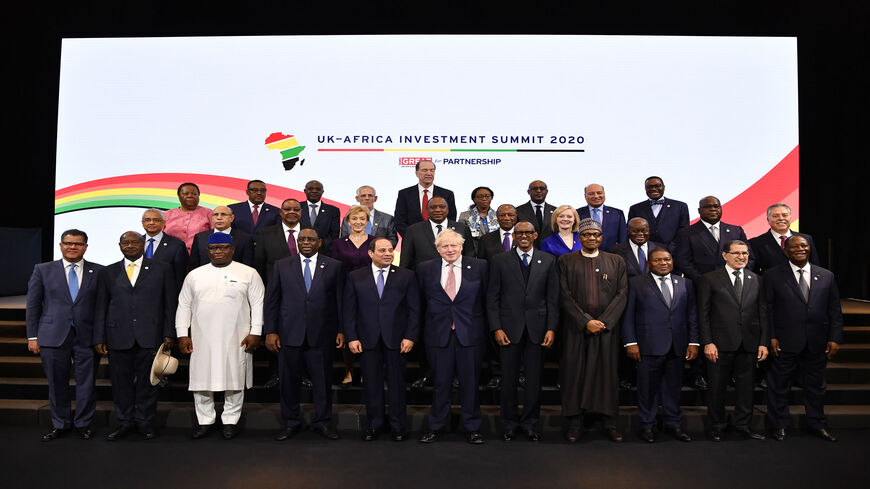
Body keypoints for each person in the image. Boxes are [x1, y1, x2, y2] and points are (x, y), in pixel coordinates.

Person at [175, 233, 264, 440]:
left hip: (237, 336)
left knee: (234, 378)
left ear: (232, 249)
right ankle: (205, 420)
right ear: (208, 251)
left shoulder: (248, 273)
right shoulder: (194, 275)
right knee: (202, 379)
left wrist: (256, 331)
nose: (219, 252)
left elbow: (258, 304)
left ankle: (230, 421)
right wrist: (182, 334)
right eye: (214, 248)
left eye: (224, 248)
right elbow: (184, 305)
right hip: (201, 337)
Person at [94, 231, 176, 440]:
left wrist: (168, 333)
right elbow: (101, 306)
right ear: (119, 245)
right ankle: (124, 422)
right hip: (117, 335)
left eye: (134, 242)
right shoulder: (108, 272)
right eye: (125, 242)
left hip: (150, 334)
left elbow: (169, 304)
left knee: (148, 383)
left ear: (142, 244)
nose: (130, 246)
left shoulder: (162, 269)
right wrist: (99, 337)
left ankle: (145, 422)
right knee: (120, 383)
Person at [264, 228, 345, 441]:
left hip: (322, 335)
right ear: (297, 242)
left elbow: (340, 301)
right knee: (288, 383)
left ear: (319, 242)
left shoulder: (334, 266)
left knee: (322, 382)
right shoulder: (282, 265)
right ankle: (291, 422)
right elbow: (272, 301)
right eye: (302, 239)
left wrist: (341, 330)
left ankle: (323, 422)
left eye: (311, 239)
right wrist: (271, 331)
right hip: (289, 334)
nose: (306, 242)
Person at [25, 229, 104, 441]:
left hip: (87, 337)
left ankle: (83, 424)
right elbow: (33, 306)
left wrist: (101, 337)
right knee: (56, 382)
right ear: (60, 245)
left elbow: (101, 308)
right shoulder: (43, 269)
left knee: (86, 383)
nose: (72, 247)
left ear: (85, 247)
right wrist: (32, 337)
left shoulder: (98, 271)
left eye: (78, 244)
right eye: (68, 243)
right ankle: (60, 424)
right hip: (52, 336)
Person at [765, 235, 843, 442]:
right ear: (786, 251)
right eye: (794, 247)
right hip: (784, 340)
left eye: (804, 246)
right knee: (780, 386)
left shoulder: (826, 276)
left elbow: (834, 310)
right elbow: (768, 310)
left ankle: (817, 424)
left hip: (817, 341)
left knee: (816, 387)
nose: (800, 249)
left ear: (809, 249)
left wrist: (835, 337)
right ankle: (779, 425)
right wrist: (771, 336)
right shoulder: (772, 275)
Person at [487, 221, 558, 441]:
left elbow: (553, 299)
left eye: (528, 232)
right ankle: (508, 424)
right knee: (507, 381)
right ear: (514, 236)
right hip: (508, 330)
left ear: (535, 235)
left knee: (534, 381)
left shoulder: (548, 260)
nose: (524, 236)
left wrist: (551, 328)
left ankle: (530, 424)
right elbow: (492, 298)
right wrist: (496, 328)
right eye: (519, 233)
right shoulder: (499, 260)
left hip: (537, 329)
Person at [558, 218, 628, 442]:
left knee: (606, 376)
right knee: (575, 376)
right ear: (579, 238)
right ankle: (575, 423)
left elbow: (622, 294)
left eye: (596, 235)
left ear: (601, 238)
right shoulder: (566, 261)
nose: (591, 238)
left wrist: (603, 322)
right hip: (576, 330)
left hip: (607, 330)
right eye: (587, 235)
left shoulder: (616, 261)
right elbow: (563, 294)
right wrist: (585, 321)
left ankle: (610, 423)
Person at [343, 238, 420, 441]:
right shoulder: (355, 277)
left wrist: (410, 336)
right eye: (382, 250)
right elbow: (349, 311)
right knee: (372, 385)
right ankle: (374, 425)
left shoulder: (406, 276)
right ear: (370, 253)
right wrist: (351, 337)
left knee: (396, 384)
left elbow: (414, 310)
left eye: (390, 250)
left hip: (397, 340)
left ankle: (398, 426)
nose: (388, 253)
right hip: (367, 340)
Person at [416, 230, 489, 444]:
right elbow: (419, 302)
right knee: (440, 383)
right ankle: (437, 427)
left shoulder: (479, 267)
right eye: (445, 246)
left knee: (470, 383)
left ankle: (472, 427)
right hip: (438, 335)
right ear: (437, 249)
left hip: (470, 335)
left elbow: (487, 300)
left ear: (462, 246)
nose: (450, 250)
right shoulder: (425, 269)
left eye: (454, 246)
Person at [622, 248, 698, 443]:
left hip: (678, 346)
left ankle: (674, 423)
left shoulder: (685, 283)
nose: (663, 263)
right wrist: (631, 342)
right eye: (657, 260)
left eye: (667, 259)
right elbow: (628, 315)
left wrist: (693, 341)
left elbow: (692, 315)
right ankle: (647, 425)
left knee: (673, 388)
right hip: (648, 346)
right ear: (649, 263)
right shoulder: (636, 283)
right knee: (647, 389)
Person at [697, 240, 769, 442]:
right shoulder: (709, 279)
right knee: (717, 388)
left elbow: (763, 313)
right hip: (719, 344)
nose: (741, 257)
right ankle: (716, 426)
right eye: (736, 253)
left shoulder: (757, 279)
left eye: (745, 253)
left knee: (746, 389)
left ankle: (742, 424)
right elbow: (703, 313)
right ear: (725, 255)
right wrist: (707, 342)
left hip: (749, 343)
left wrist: (763, 342)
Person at [332, 205, 376, 385]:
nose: (358, 222)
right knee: (347, 329)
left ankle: (367, 370)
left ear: (367, 221)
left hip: (370, 291)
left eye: (362, 219)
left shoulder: (374, 241)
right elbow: (334, 269)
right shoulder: (338, 243)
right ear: (348, 221)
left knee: (368, 329)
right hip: (345, 290)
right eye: (355, 219)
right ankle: (349, 371)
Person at [673, 196, 752, 283]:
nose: (712, 209)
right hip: (703, 285)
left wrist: (739, 275)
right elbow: (683, 261)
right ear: (699, 211)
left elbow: (750, 256)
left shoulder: (736, 230)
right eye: (707, 207)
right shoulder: (687, 233)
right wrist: (703, 280)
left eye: (716, 206)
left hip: (734, 283)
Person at [399, 196, 474, 270]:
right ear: (427, 210)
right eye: (433, 207)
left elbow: (469, 255)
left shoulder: (462, 228)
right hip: (423, 278)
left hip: (456, 276)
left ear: (448, 209)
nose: (438, 210)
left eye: (442, 207)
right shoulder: (413, 230)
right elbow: (405, 260)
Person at [748, 203, 820, 274]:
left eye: (785, 215)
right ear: (768, 219)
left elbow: (815, 265)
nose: (781, 218)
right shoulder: (755, 243)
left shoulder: (806, 238)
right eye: (775, 216)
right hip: (771, 284)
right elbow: (754, 272)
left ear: (790, 217)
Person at [393, 158, 457, 237]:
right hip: (413, 241)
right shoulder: (404, 194)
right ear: (416, 173)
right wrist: (413, 238)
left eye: (432, 170)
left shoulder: (447, 194)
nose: (429, 173)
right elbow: (399, 221)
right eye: (424, 170)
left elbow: (451, 219)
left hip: (440, 241)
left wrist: (441, 238)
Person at [627, 176, 689, 247]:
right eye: (650, 187)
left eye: (657, 186)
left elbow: (683, 231)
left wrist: (672, 248)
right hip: (645, 252)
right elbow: (630, 232)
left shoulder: (680, 206)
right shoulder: (635, 208)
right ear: (645, 189)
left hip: (673, 252)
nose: (653, 189)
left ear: (664, 187)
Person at [189, 205, 254, 269]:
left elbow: (247, 266)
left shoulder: (245, 239)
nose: (219, 218)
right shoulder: (200, 237)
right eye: (216, 214)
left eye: (223, 214)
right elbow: (194, 265)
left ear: (232, 218)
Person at [255, 198, 302, 285]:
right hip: (276, 285)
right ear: (280, 212)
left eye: (296, 210)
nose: (292, 212)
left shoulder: (312, 232)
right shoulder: (266, 233)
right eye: (287, 209)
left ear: (301, 212)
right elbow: (260, 263)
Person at [141, 208, 188, 293]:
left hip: (165, 295)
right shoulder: (135, 243)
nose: (151, 223)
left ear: (163, 223)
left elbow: (180, 276)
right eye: (147, 220)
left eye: (156, 220)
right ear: (142, 223)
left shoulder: (177, 245)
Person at [163, 182, 213, 252]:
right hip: (171, 255)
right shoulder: (166, 215)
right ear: (179, 196)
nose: (190, 196)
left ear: (199, 196)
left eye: (194, 194)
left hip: (200, 255)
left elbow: (216, 234)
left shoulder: (209, 213)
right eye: (186, 194)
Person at [576, 183, 627, 251]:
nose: (596, 196)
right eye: (591, 194)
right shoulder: (576, 214)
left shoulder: (617, 213)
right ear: (585, 196)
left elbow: (623, 239)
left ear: (604, 195)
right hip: (584, 256)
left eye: (599, 193)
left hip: (612, 257)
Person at [299, 180, 341, 255]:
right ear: (305, 191)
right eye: (311, 189)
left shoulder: (333, 210)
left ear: (322, 192)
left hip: (324, 252)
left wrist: (319, 245)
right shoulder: (297, 207)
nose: (314, 191)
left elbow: (334, 234)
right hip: (299, 251)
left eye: (318, 189)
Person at [458, 186, 500, 253]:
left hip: (495, 251)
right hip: (473, 251)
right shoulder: (465, 215)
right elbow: (460, 235)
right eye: (480, 196)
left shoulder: (498, 215)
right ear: (474, 199)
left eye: (487, 196)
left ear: (491, 198)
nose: (484, 199)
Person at [515, 180, 556, 246]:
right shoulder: (518, 211)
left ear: (547, 192)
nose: (538, 191)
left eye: (542, 189)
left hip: (550, 251)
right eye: (535, 189)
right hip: (527, 250)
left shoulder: (556, 211)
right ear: (528, 192)